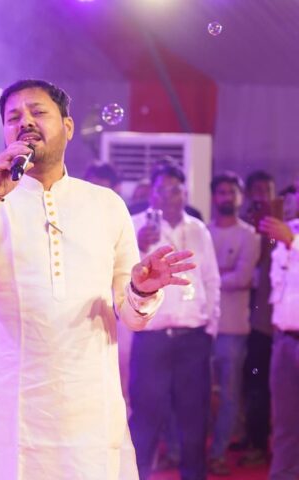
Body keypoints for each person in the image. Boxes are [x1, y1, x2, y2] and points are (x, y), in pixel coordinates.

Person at [0, 79, 196, 479]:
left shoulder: (106, 205)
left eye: (38, 112)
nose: (25, 122)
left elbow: (132, 315)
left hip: (88, 411)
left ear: (68, 127)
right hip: (9, 411)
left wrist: (142, 288)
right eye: (13, 117)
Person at [130, 163, 220, 480]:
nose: (168, 196)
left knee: (194, 419)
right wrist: (139, 245)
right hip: (152, 339)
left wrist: (210, 328)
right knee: (145, 419)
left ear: (185, 193)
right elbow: (121, 277)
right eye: (162, 190)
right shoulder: (134, 226)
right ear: (152, 194)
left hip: (192, 338)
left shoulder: (198, 229)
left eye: (175, 189)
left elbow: (211, 280)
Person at [206, 172, 261, 476]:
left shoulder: (249, 235)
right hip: (203, 328)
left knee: (229, 396)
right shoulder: (202, 232)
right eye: (222, 192)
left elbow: (242, 278)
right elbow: (195, 275)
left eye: (232, 192)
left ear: (241, 197)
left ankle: (217, 454)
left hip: (234, 329)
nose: (227, 197)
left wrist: (211, 275)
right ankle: (186, 452)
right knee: (197, 395)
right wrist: (222, 271)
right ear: (214, 197)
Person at [235, 170, 276, 465]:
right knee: (253, 385)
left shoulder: (284, 227)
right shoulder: (244, 227)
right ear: (248, 194)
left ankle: (266, 443)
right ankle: (254, 438)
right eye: (257, 190)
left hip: (277, 322)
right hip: (251, 321)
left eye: (267, 190)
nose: (262, 195)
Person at [259, 181, 299, 480]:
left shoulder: (290, 235)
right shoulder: (288, 229)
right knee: (284, 422)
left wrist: (293, 242)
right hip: (285, 339)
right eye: (295, 191)